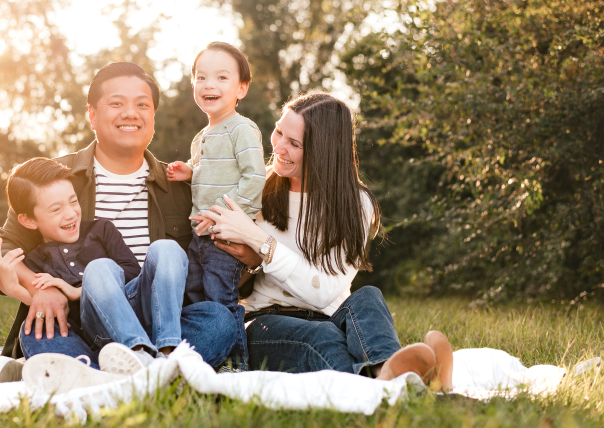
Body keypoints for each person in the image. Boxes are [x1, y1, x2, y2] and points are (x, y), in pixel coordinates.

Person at [0, 62, 236, 385]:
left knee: (219, 322)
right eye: (117, 103)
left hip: (159, 324)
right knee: (41, 334)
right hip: (82, 324)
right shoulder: (54, 177)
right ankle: (154, 376)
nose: (131, 113)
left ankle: (105, 376)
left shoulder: (182, 186)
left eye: (142, 104)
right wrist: (37, 288)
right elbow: (1, 251)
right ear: (92, 115)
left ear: (153, 115)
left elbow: (214, 260)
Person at [195, 92, 454, 389]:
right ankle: (408, 384)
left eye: (293, 144)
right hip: (265, 321)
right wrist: (251, 263)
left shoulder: (355, 203)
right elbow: (218, 277)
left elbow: (324, 293)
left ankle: (387, 371)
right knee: (324, 338)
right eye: (279, 131)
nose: (277, 146)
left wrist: (259, 242)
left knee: (368, 298)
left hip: (331, 315)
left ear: (324, 152)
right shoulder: (255, 188)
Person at [0, 156, 186, 378]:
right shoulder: (35, 261)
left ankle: (167, 353)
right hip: (93, 333)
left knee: (214, 314)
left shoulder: (101, 230)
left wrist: (79, 290)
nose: (71, 213)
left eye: (73, 201)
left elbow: (133, 272)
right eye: (56, 209)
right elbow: (49, 307)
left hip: (139, 316)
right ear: (28, 221)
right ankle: (135, 366)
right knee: (36, 332)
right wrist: (15, 288)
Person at [167, 42, 266, 370]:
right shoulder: (201, 137)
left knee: (220, 296)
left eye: (222, 78)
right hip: (200, 232)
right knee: (194, 292)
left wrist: (223, 216)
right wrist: (189, 172)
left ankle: (235, 363)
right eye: (201, 77)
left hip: (227, 232)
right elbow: (214, 174)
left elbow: (254, 179)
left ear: (241, 88)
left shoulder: (242, 129)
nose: (209, 84)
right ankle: (205, 354)